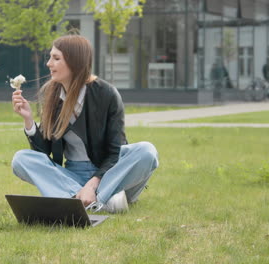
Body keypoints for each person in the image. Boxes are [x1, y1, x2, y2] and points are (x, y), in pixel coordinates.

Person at [11, 34, 159, 213]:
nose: (49, 63)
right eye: (50, 57)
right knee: (21, 159)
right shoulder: (52, 94)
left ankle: (83, 198)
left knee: (147, 151)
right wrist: (28, 120)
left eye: (56, 58)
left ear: (75, 62)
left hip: (109, 173)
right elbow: (44, 152)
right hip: (71, 175)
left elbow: (115, 151)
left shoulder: (106, 93)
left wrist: (93, 183)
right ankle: (101, 200)